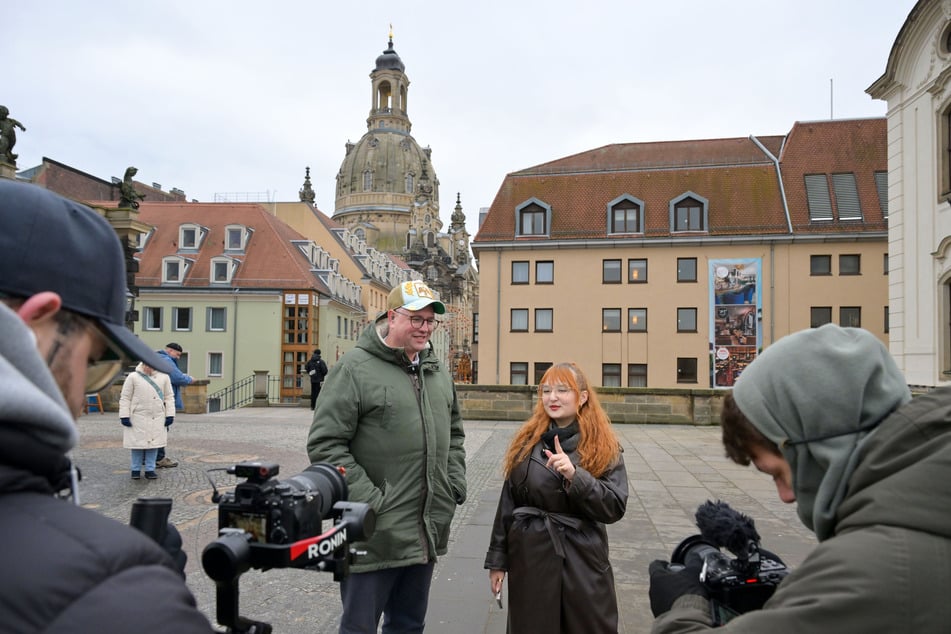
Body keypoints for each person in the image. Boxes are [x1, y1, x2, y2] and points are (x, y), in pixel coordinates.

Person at [0, 180, 213, 631]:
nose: (79, 400)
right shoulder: (107, 591)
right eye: (94, 361)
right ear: (34, 323)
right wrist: (133, 585)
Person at [648, 323, 951, 632]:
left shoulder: (868, 569)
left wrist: (683, 606)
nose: (786, 496)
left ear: (816, 446)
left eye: (777, 473)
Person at [306, 280, 467, 634]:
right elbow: (326, 445)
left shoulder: (436, 371)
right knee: (359, 627)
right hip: (373, 533)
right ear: (392, 317)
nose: (425, 328)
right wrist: (373, 502)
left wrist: (453, 484)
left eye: (430, 321)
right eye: (416, 319)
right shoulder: (353, 368)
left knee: (408, 626)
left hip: (424, 527)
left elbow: (455, 434)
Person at [484, 362, 628, 633]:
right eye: (547, 390)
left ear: (582, 397)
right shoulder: (527, 441)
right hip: (531, 557)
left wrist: (577, 476)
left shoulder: (603, 445)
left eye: (563, 390)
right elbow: (508, 502)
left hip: (582, 557)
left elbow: (614, 506)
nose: (552, 397)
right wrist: (497, 561)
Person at [119, 363, 176, 480]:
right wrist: (124, 415)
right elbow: (125, 397)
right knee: (137, 444)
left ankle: (150, 469)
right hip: (137, 415)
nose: (148, 367)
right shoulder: (133, 377)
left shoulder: (164, 377)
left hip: (157, 415)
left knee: (153, 444)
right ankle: (135, 469)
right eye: (146, 364)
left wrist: (170, 414)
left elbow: (169, 397)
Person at [154, 342, 193, 468]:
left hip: (155, 399)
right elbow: (177, 377)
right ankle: (159, 458)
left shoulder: (155, 358)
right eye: (177, 354)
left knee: (153, 429)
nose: (178, 357)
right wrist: (189, 379)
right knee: (161, 429)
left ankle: (148, 457)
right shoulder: (166, 360)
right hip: (163, 400)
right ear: (170, 351)